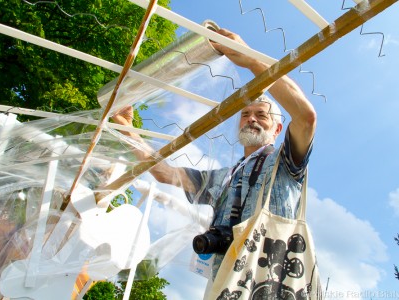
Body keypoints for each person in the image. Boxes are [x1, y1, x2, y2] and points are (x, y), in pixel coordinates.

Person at [112, 28, 316, 289]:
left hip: (271, 284)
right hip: (224, 284)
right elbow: (164, 173)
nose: (251, 118)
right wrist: (127, 130)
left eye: (261, 115)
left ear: (277, 129)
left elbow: (306, 118)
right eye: (245, 114)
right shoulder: (222, 177)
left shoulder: (285, 163)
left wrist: (251, 59)